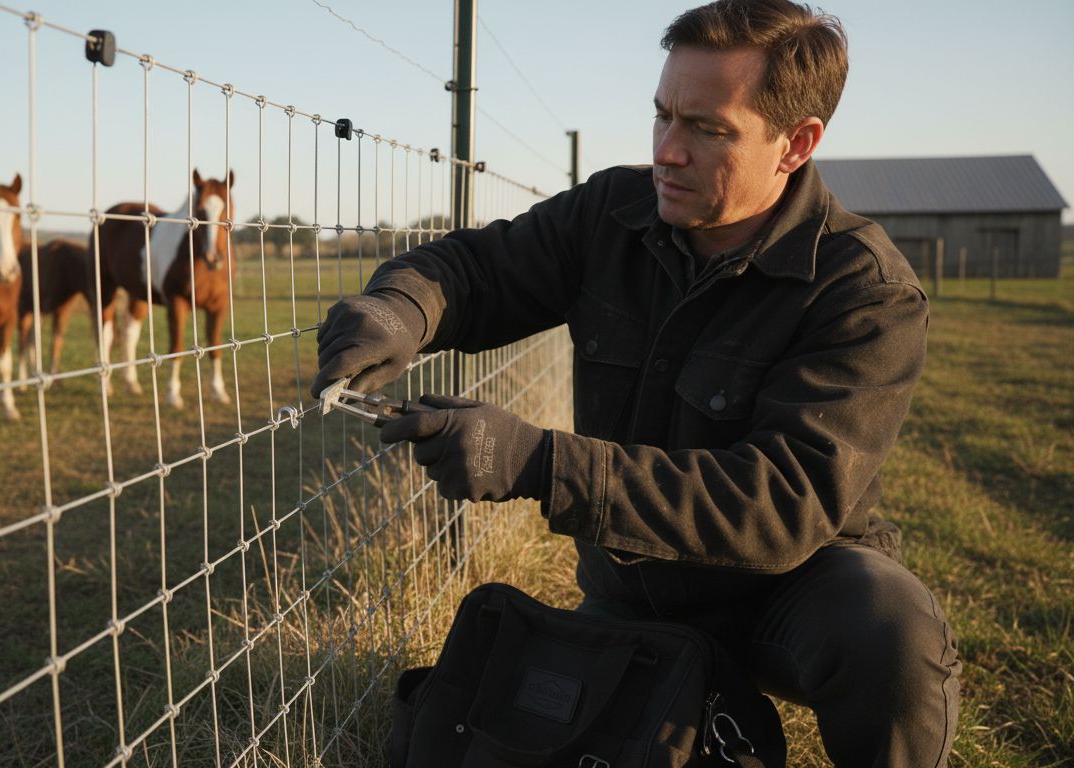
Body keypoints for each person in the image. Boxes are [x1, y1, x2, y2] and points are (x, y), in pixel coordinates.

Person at [311, 0, 961, 764]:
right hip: (631, 588)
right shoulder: (610, 213)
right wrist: (399, 309)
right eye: (662, 115)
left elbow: (783, 503)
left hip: (786, 593)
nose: (668, 152)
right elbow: (478, 270)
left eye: (708, 128)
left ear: (796, 144)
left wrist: (539, 463)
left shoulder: (864, 291)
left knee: (890, 628)